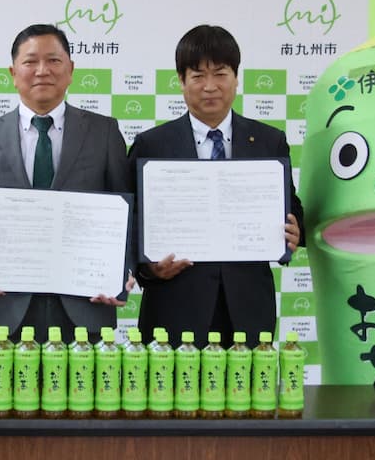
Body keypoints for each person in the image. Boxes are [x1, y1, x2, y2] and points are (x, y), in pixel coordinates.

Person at [129, 24, 303, 348]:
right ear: (181, 81)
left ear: (236, 78)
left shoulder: (269, 141)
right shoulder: (151, 145)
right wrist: (149, 269)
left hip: (247, 308)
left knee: (249, 383)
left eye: (220, 74)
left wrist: (295, 231)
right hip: (174, 308)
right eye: (197, 76)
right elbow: (132, 223)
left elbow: (291, 208)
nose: (210, 86)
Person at [0, 24, 131, 343]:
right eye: (30, 61)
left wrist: (123, 269)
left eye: (53, 60)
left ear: (71, 70)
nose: (42, 71)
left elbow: (125, 209)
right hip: (6, 305)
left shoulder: (104, 133)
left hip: (87, 305)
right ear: (13, 73)